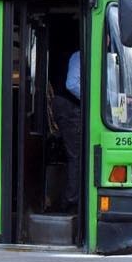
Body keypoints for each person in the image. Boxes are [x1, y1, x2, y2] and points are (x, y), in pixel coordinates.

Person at [50, 51, 82, 210]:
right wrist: (94, 97)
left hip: (70, 106)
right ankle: (70, 202)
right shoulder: (80, 56)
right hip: (68, 107)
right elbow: (72, 85)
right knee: (77, 155)